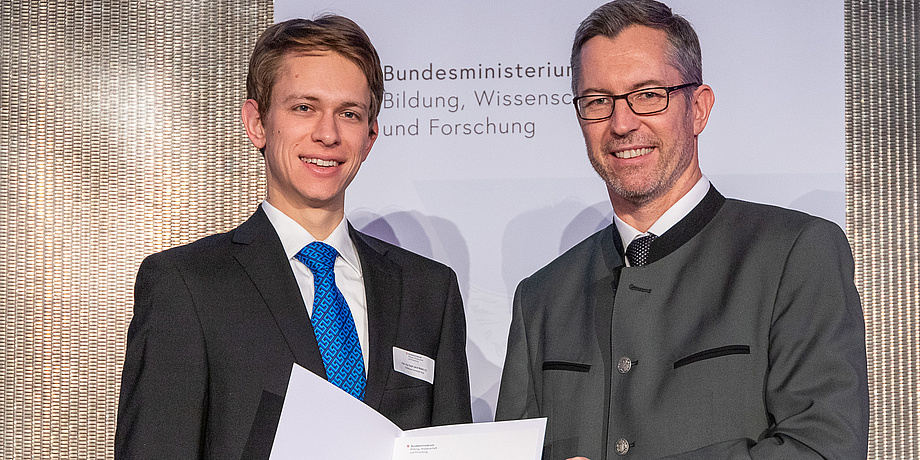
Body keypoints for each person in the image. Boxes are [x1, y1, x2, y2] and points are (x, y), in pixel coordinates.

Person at [495, 1, 869, 458]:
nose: (622, 123)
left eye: (649, 94)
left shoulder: (793, 255)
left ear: (699, 108)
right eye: (598, 101)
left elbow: (822, 448)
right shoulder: (541, 299)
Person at [115, 16, 472, 459]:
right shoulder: (187, 284)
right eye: (304, 107)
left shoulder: (429, 291)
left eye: (349, 114)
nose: (328, 133)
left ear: (370, 137)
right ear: (257, 123)